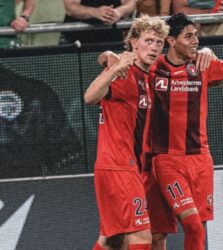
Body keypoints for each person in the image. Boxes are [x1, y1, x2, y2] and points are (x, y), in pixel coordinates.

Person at [101, 10, 223, 250]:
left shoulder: (202, 65)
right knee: (173, 229)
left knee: (194, 227)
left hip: (200, 160)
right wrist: (108, 56)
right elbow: (115, 59)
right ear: (171, 41)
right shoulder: (153, 67)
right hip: (165, 160)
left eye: (196, 36)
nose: (195, 41)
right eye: (188, 36)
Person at [84, 15, 170, 250]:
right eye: (148, 41)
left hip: (125, 167)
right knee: (142, 237)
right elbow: (90, 97)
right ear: (133, 43)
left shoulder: (146, 75)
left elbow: (106, 56)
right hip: (118, 167)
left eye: (158, 43)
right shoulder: (123, 73)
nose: (153, 47)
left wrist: (108, 57)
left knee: (112, 240)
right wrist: (115, 66)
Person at [0, 65, 82, 178]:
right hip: (32, 188)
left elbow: (66, 156)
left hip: (30, 189)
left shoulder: (37, 93)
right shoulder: (37, 91)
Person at [62, 0, 137, 44]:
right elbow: (70, 8)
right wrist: (94, 12)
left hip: (111, 38)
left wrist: (119, 12)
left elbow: (130, 3)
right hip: (76, 39)